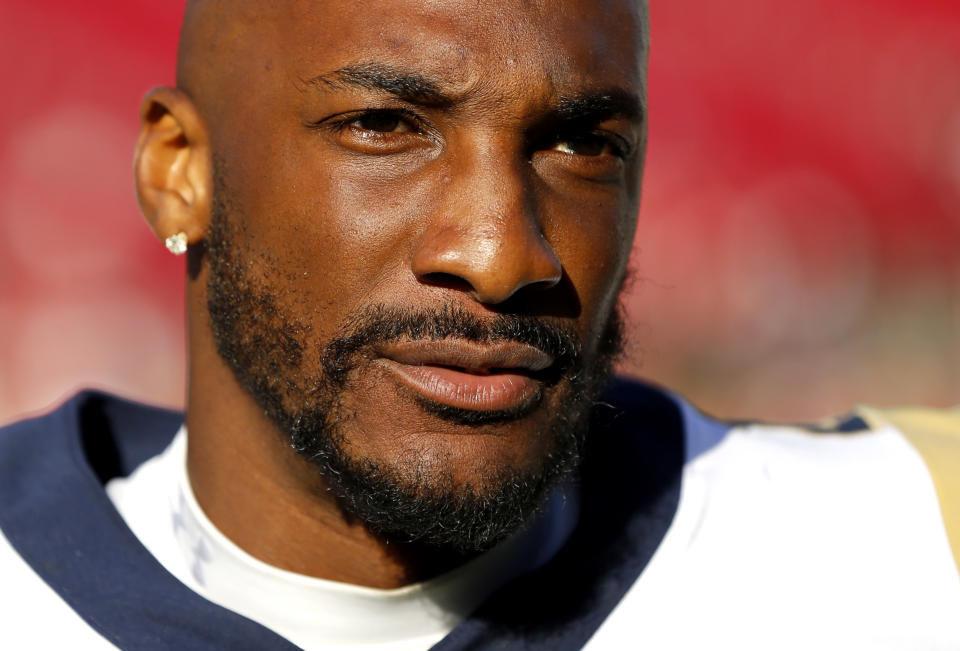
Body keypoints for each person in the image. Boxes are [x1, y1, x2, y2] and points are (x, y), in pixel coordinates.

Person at [0, 0, 957, 649]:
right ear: (180, 171)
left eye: (582, 143)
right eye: (383, 125)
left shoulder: (912, 541)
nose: (501, 256)